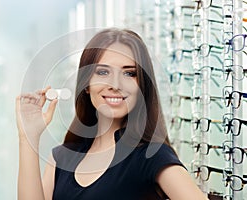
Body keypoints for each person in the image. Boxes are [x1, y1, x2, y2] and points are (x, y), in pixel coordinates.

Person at [16, 28, 208, 200]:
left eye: (129, 73)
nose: (115, 85)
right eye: (102, 72)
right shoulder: (63, 157)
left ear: (142, 86)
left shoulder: (151, 156)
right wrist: (28, 136)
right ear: (86, 85)